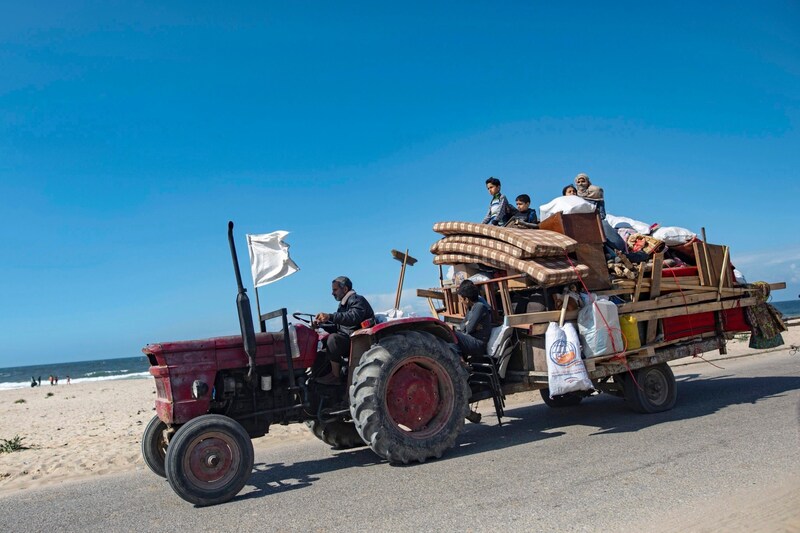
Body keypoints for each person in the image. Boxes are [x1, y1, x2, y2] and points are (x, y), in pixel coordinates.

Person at [314, 276, 375, 385]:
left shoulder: (357, 300)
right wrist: (321, 324)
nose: (332, 293)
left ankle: (335, 376)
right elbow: (338, 325)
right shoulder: (343, 305)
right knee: (321, 347)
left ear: (345, 289)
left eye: (335, 290)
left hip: (358, 341)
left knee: (333, 339)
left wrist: (330, 316)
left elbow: (353, 317)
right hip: (347, 338)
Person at [453, 281, 492, 358]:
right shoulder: (470, 308)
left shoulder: (479, 307)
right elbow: (462, 326)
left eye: (461, 299)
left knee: (453, 334)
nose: (461, 302)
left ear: (466, 299)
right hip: (470, 339)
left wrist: (468, 325)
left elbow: (469, 329)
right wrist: (468, 324)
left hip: (477, 343)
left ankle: (461, 361)